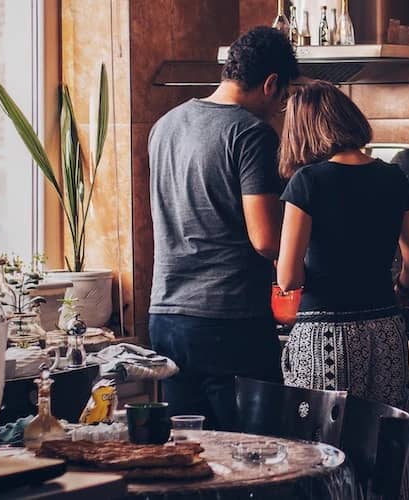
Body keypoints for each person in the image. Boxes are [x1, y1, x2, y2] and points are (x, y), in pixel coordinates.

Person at [146, 26, 298, 430]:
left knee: (192, 457)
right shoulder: (250, 133)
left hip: (166, 316)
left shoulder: (165, 126)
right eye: (283, 98)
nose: (279, 107)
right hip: (227, 321)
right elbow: (266, 240)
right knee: (259, 457)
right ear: (270, 84)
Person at [276, 81, 409, 412]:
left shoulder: (308, 181)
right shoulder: (393, 176)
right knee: (384, 440)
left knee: (323, 448)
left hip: (325, 336)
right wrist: (401, 289)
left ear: (302, 131)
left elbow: (288, 278)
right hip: (385, 329)